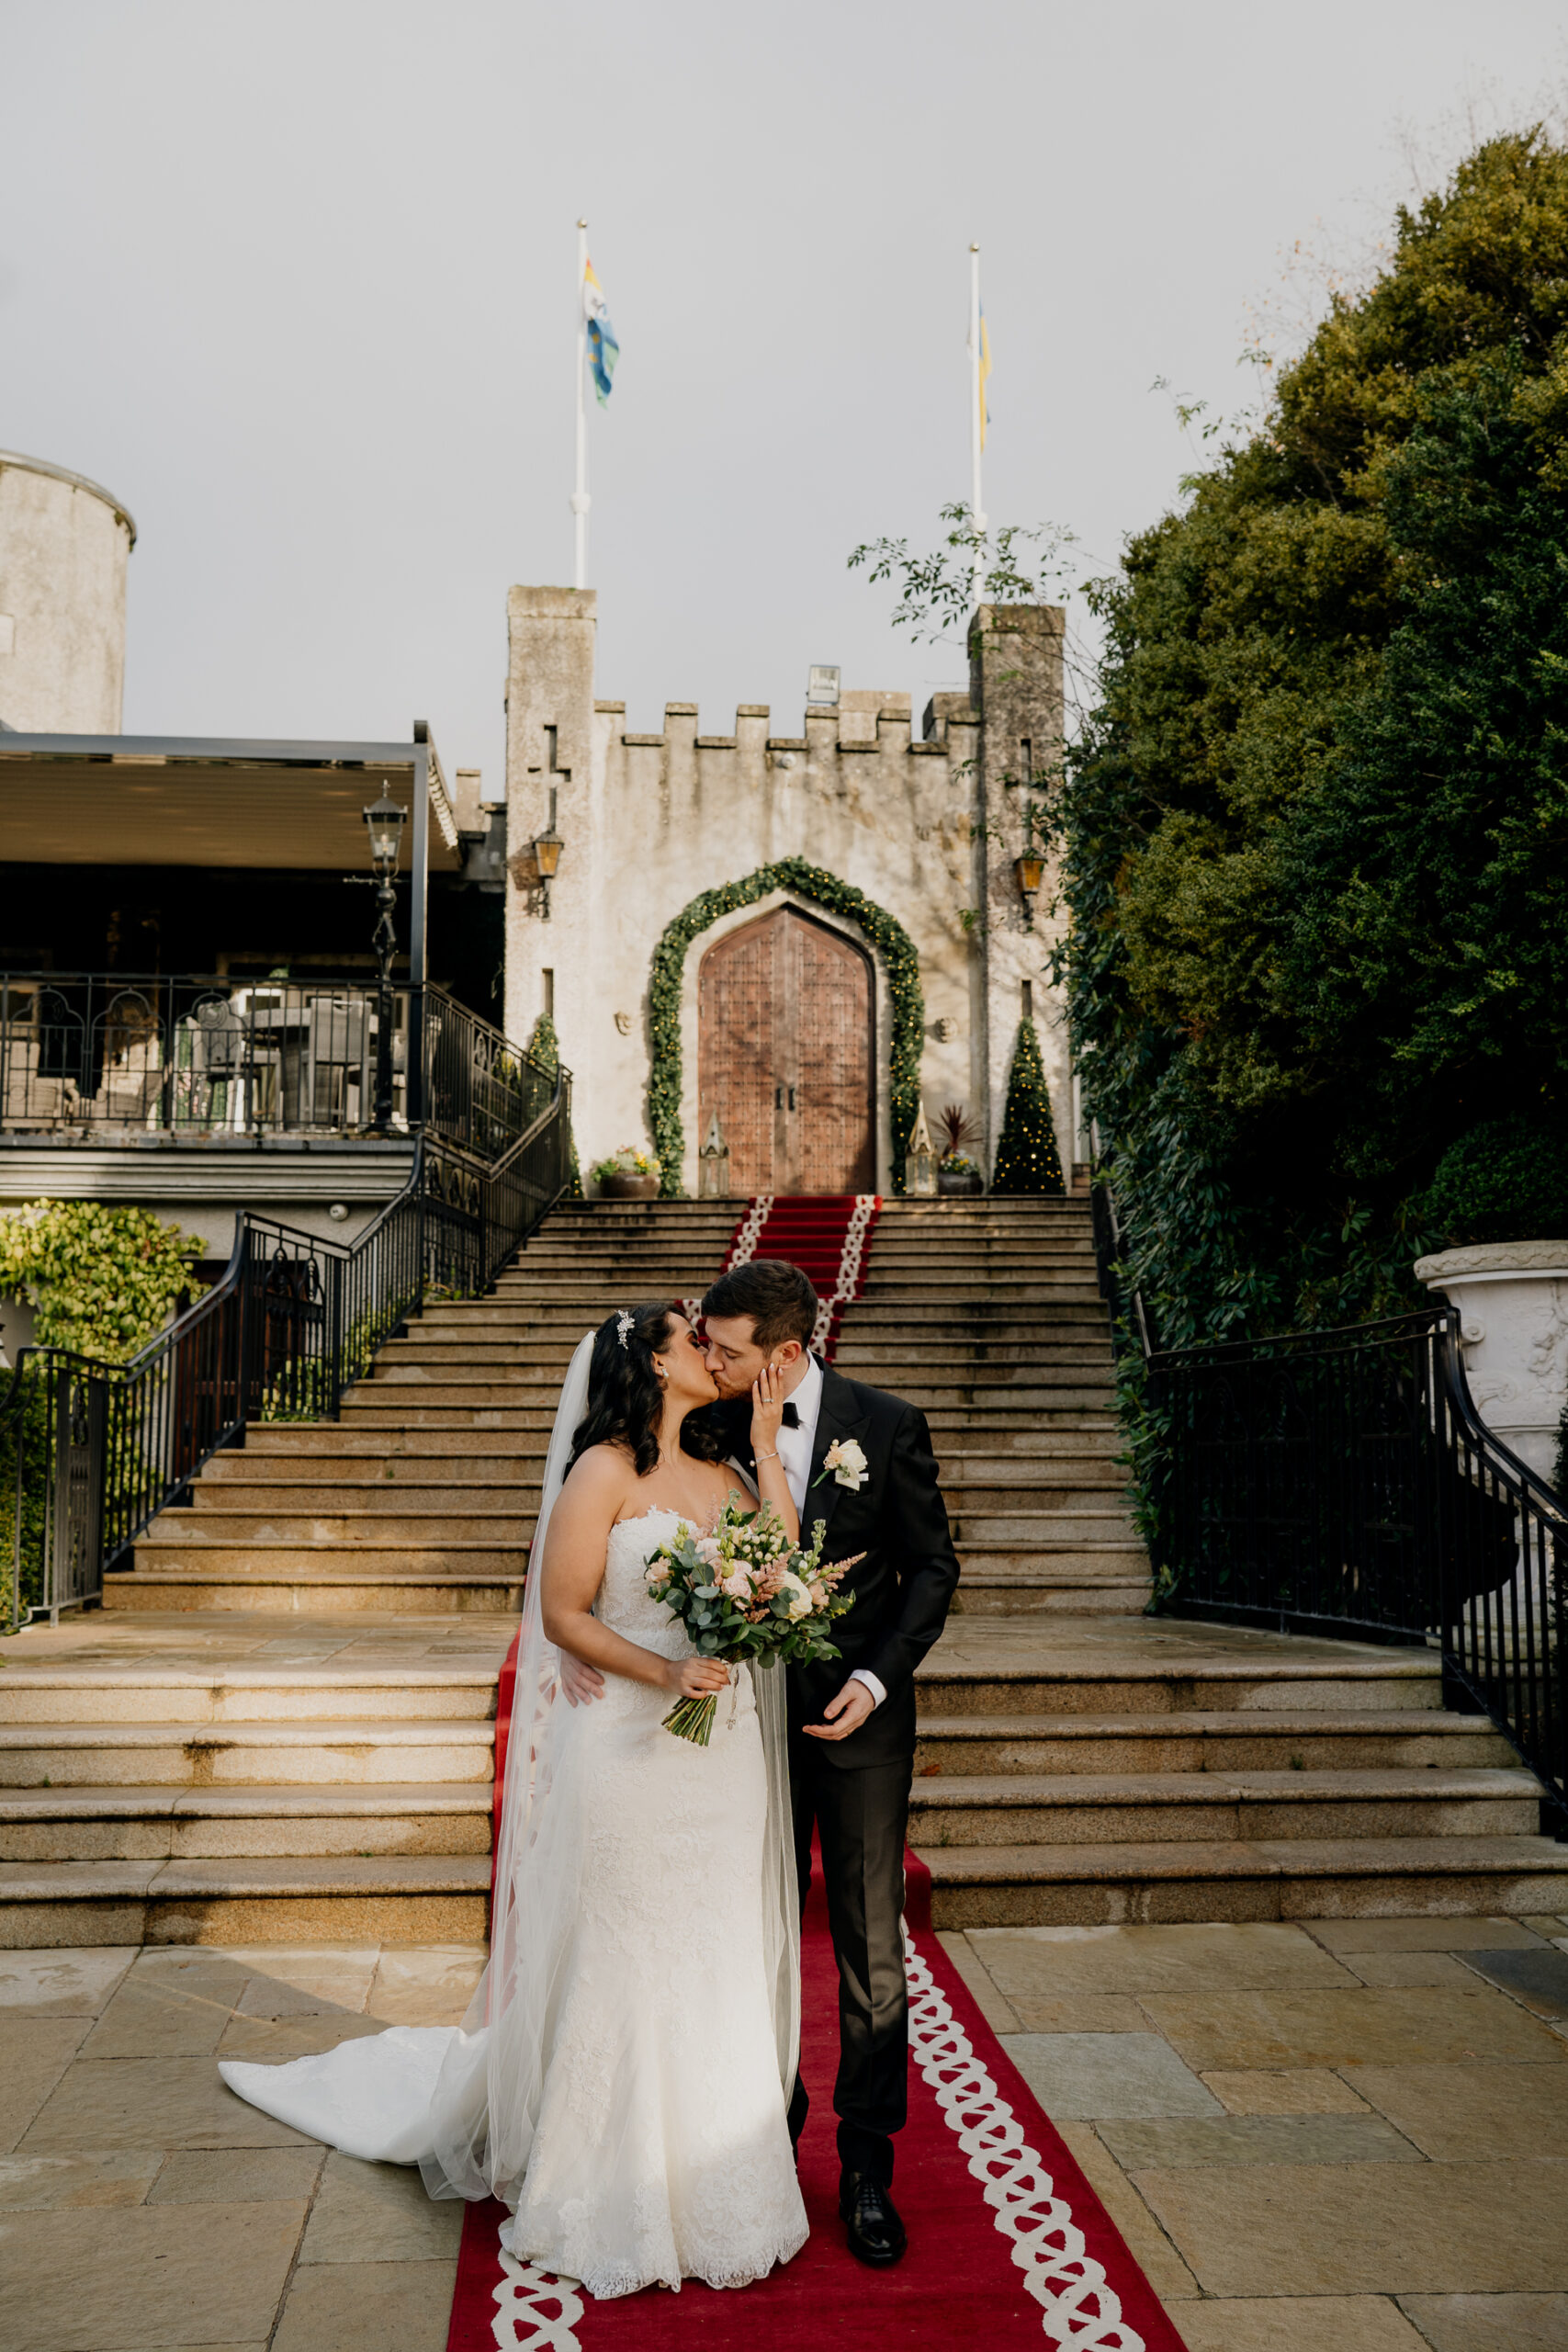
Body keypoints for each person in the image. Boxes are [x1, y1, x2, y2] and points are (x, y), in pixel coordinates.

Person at [219, 1303, 810, 2301]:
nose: (709, 1347)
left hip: (722, 1763)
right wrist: (662, 1674)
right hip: (628, 1743)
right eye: (688, 1334)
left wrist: (765, 1448)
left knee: (711, 1948)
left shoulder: (727, 1472)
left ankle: (724, 2179)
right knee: (625, 1951)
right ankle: (606, 2184)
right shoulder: (603, 1471)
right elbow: (561, 1611)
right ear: (649, 1362)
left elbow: (785, 1573)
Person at [559, 1258, 961, 2268]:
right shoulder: (707, 1431)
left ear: (786, 1354)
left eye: (728, 1348)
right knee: (741, 1939)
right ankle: (755, 2137)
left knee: (870, 1949)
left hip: (855, 1724)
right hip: (731, 1737)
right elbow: (621, 1560)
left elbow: (932, 1568)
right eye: (701, 1343)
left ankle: (867, 2167)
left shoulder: (884, 1421)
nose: (712, 1355)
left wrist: (873, 1681)